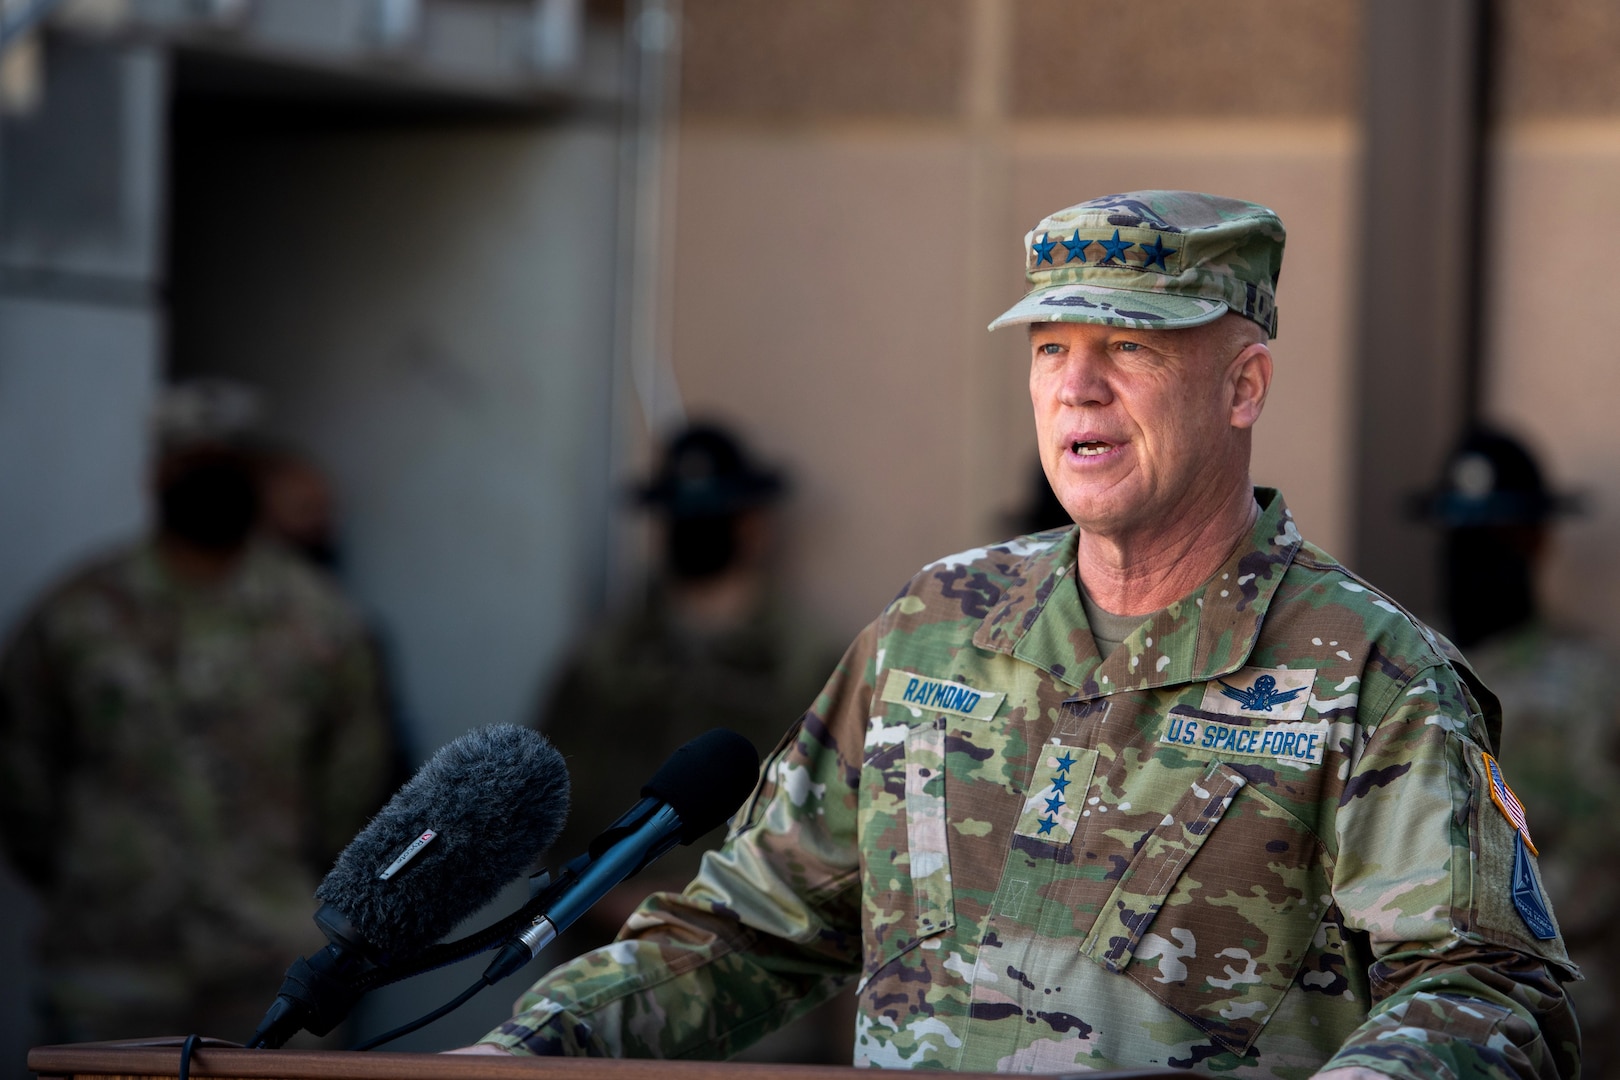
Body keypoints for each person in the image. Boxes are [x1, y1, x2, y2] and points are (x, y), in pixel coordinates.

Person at [459, 192, 1579, 1078]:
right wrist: (525, 1053)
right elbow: (753, 928)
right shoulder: (932, 629)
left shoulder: (1371, 673)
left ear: (1245, 386)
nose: (1077, 387)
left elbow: (1486, 989)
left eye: (1129, 345)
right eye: (1051, 346)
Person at [0, 379, 395, 1044]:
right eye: (190, 458)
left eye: (228, 458)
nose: (209, 473)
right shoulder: (78, 614)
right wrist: (93, 870)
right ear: (155, 472)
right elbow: (22, 770)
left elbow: (355, 779)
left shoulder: (320, 618)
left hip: (274, 956)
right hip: (113, 953)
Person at [1420, 427, 1619, 1074]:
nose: (1473, 555)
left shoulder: (1593, 689)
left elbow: (1601, 858)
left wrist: (1480, 939)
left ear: (1536, 540)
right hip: (1420, 1021)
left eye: (1496, 536)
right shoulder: (1407, 675)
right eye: (1461, 535)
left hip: (1562, 1021)